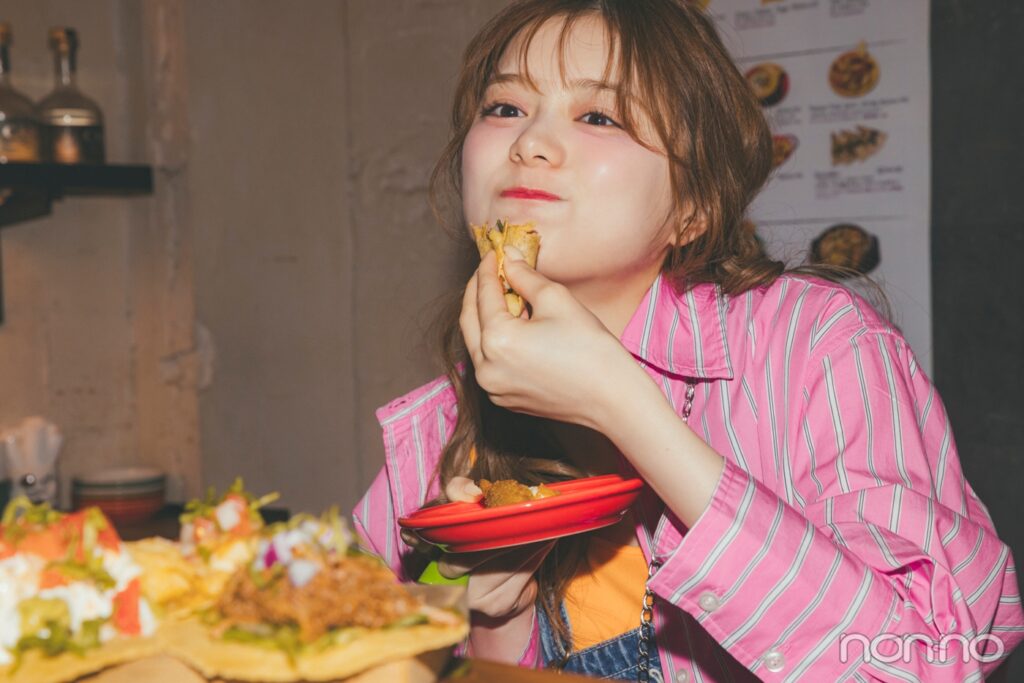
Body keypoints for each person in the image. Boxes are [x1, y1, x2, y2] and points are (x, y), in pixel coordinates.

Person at [352, 1, 1024, 680]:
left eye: (597, 116)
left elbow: (931, 663)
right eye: (504, 107)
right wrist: (462, 607)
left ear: (694, 205)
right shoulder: (440, 430)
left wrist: (626, 408)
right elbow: (331, 645)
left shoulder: (817, 346)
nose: (529, 142)